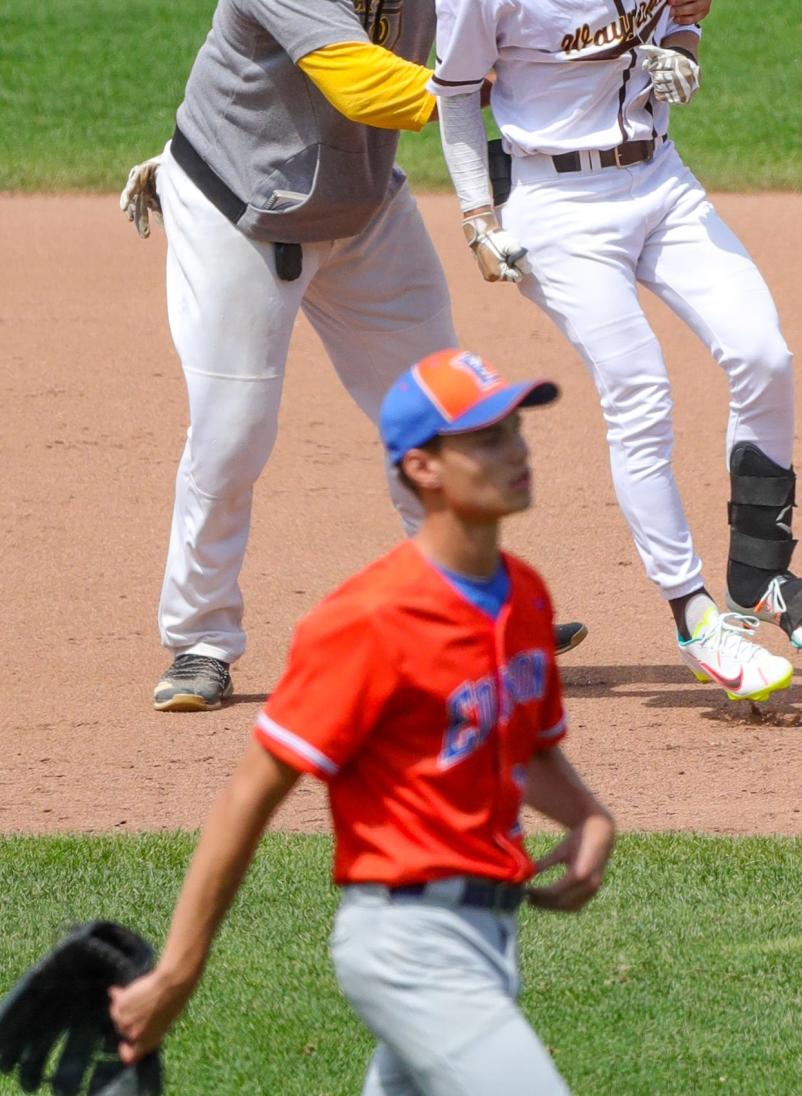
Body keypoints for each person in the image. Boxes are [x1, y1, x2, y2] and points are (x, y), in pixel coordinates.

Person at [120, 0, 714, 712]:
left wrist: (659, 0)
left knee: (447, 416)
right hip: (242, 210)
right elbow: (358, 81)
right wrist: (499, 104)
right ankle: (199, 642)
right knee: (233, 435)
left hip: (362, 209)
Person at [428, 0, 802, 703]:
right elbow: (455, 98)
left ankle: (758, 570)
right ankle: (696, 617)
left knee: (764, 354)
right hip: (558, 208)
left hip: (660, 182)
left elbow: (675, 24)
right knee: (640, 391)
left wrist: (685, 48)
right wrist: (477, 216)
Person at [109, 348, 616, 1095]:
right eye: (486, 438)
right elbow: (250, 794)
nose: (517, 452)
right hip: (408, 945)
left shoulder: (527, 598)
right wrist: (179, 972)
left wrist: (589, 817)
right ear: (423, 469)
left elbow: (520, 745)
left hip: (490, 940)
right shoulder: (368, 621)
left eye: (515, 430)